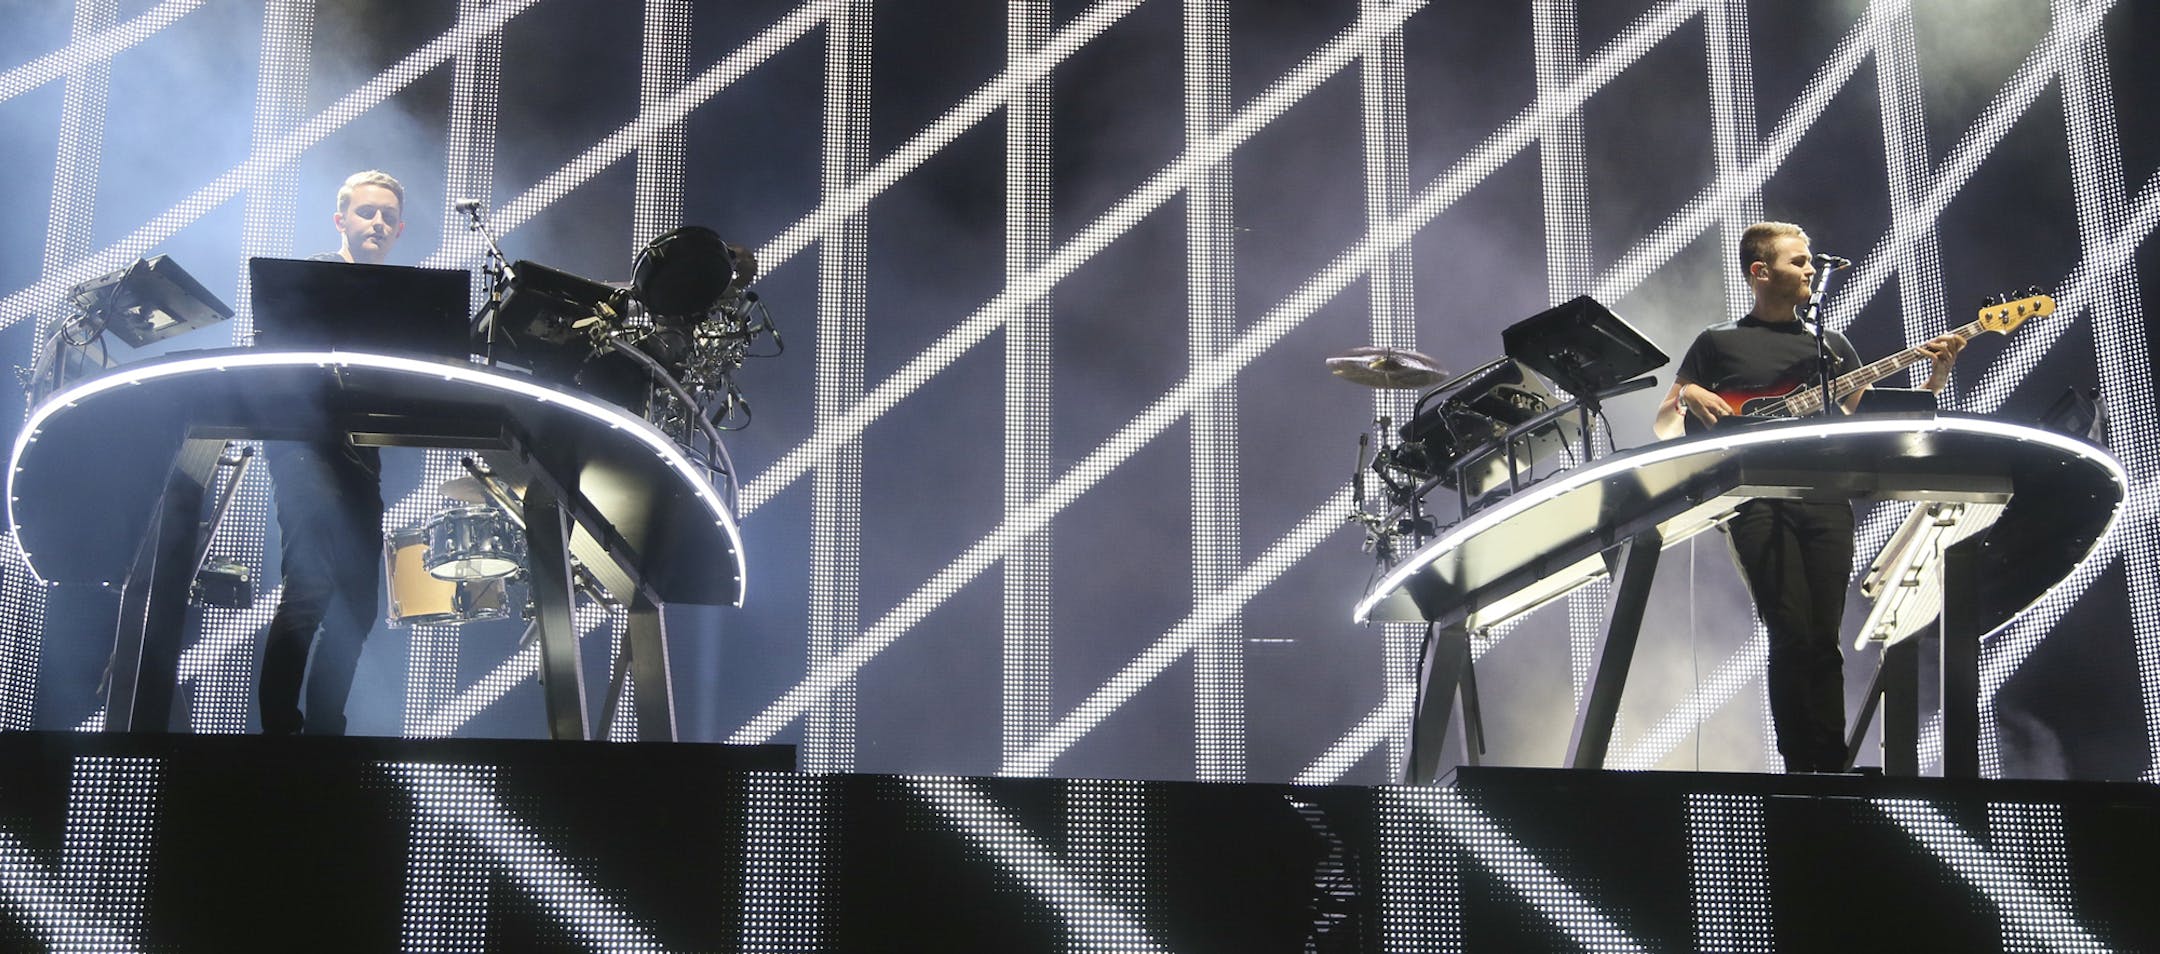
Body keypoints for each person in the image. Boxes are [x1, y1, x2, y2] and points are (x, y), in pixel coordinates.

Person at [1653, 221, 1965, 772]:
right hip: (1753, 502)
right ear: (1760, 271)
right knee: (1791, 629)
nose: (1811, 269)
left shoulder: (1830, 346)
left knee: (1824, 637)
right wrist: (1691, 394)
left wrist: (1934, 380)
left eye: (1810, 260)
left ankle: (1830, 763)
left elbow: (1873, 423)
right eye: (1798, 261)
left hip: (1825, 500)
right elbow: (1663, 425)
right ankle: (1802, 761)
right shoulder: (1717, 342)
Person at [257, 170, 406, 734]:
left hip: (360, 458)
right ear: (341, 219)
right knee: (310, 589)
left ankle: (323, 729)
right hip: (304, 445)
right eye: (368, 212)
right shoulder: (311, 280)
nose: (378, 223)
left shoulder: (400, 306)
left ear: (400, 230)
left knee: (359, 606)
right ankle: (278, 732)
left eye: (388, 217)